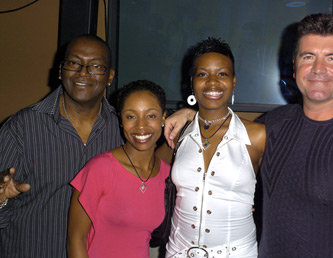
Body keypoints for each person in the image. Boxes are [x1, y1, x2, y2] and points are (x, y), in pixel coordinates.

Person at [164, 14, 333, 257]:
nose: (319, 69)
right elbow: (227, 132)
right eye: (309, 57)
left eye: (332, 58)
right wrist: (191, 115)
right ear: (295, 67)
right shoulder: (274, 125)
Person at [0, 34, 123, 257]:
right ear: (60, 70)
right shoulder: (22, 127)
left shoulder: (123, 129)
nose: (83, 72)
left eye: (95, 66)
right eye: (74, 63)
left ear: (110, 76)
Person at [165, 37, 266, 258]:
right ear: (191, 81)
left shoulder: (256, 135)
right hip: (179, 251)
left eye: (222, 74)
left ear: (234, 80)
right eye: (202, 74)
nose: (212, 82)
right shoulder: (177, 133)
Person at [67, 80, 170, 258]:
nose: (141, 126)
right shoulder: (101, 168)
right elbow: (75, 240)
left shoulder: (167, 174)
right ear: (121, 119)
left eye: (150, 116)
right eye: (131, 116)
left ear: (163, 118)